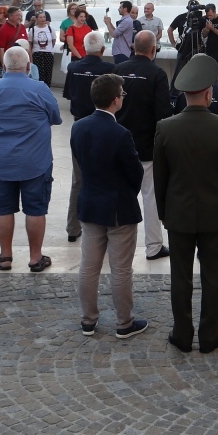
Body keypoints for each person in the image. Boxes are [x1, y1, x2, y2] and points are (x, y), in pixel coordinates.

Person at [153, 54, 218, 354]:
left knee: (180, 278)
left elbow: (160, 179)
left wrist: (165, 214)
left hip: (178, 214)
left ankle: (182, 335)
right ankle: (209, 335)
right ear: (209, 93)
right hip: (216, 215)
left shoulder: (165, 128)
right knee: (213, 278)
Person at [70, 72, 148, 338]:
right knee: (121, 268)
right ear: (116, 100)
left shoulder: (78, 127)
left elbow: (80, 166)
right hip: (118, 208)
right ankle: (124, 322)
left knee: (89, 266)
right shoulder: (120, 133)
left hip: (90, 203)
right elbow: (135, 172)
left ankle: (88, 320)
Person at [0, 46, 62, 272]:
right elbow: (56, 117)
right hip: (35, 162)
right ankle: (35, 257)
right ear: (29, 66)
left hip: (1, 161)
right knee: (36, 209)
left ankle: (5, 256)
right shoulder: (40, 89)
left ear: (4, 66)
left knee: (3, 208)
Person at [113, 30, 173, 261]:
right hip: (147, 146)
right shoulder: (157, 73)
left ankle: (116, 246)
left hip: (120, 144)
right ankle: (153, 246)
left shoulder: (118, 70)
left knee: (120, 194)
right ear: (153, 49)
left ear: (132, 47)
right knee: (150, 197)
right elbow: (162, 113)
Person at [62, 31, 112, 243]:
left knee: (79, 179)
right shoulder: (109, 70)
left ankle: (73, 228)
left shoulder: (74, 68)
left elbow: (68, 95)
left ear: (84, 48)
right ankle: (106, 225)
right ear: (102, 50)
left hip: (79, 126)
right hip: (104, 126)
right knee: (107, 178)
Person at [29, 10, 60, 86]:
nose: (43, 19)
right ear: (37, 19)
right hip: (37, 54)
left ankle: (47, 90)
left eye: (44, 17)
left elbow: (53, 41)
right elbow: (30, 44)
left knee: (48, 74)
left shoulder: (50, 29)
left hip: (48, 54)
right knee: (38, 75)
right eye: (40, 17)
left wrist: (49, 49)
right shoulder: (33, 30)